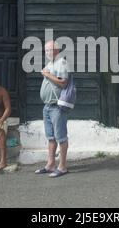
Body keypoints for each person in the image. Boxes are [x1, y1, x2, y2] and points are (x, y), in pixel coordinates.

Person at [35, 41, 70, 178]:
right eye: (46, 51)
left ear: (57, 50)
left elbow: (63, 82)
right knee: (51, 137)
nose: (47, 53)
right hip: (47, 106)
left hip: (57, 106)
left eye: (50, 50)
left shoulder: (61, 63)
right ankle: (50, 164)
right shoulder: (51, 63)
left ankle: (62, 167)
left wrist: (47, 75)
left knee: (61, 137)